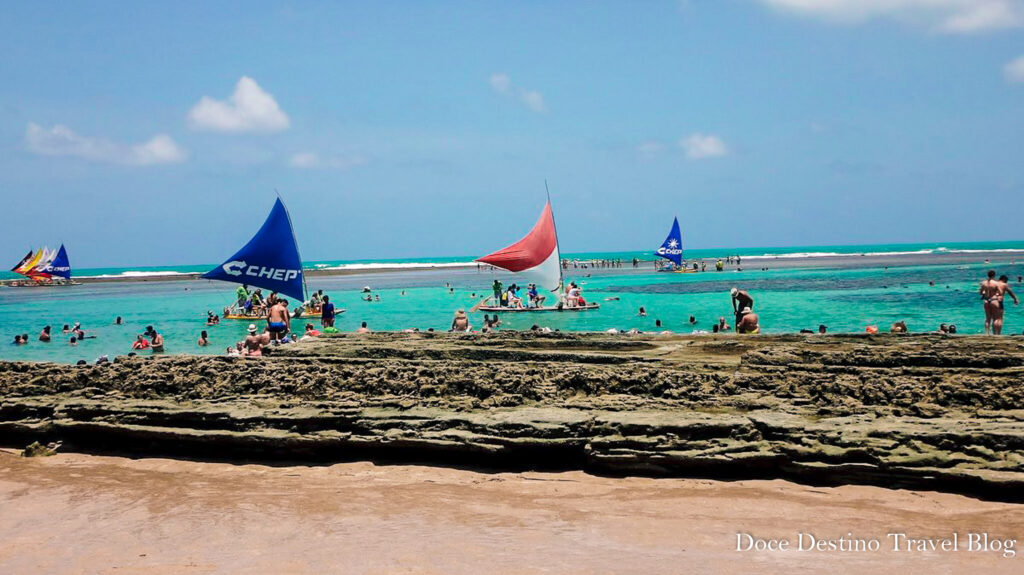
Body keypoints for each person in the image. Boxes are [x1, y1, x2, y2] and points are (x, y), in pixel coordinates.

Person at [980, 270, 1018, 335]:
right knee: (998, 319)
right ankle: (997, 334)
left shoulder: (985, 283)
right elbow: (1007, 292)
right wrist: (1015, 299)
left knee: (988, 318)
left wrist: (984, 294)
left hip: (986, 301)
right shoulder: (1000, 284)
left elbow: (981, 292)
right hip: (996, 301)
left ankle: (987, 333)